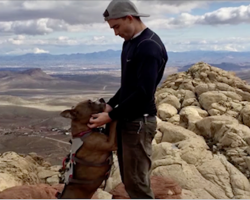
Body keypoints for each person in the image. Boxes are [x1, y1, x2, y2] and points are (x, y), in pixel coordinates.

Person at [88, 0, 168, 198]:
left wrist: (111, 115)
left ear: (129, 18)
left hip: (139, 122)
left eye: (117, 26)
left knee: (137, 182)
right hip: (128, 119)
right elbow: (129, 85)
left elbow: (143, 93)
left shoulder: (148, 46)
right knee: (130, 179)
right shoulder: (131, 42)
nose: (115, 33)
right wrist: (110, 104)